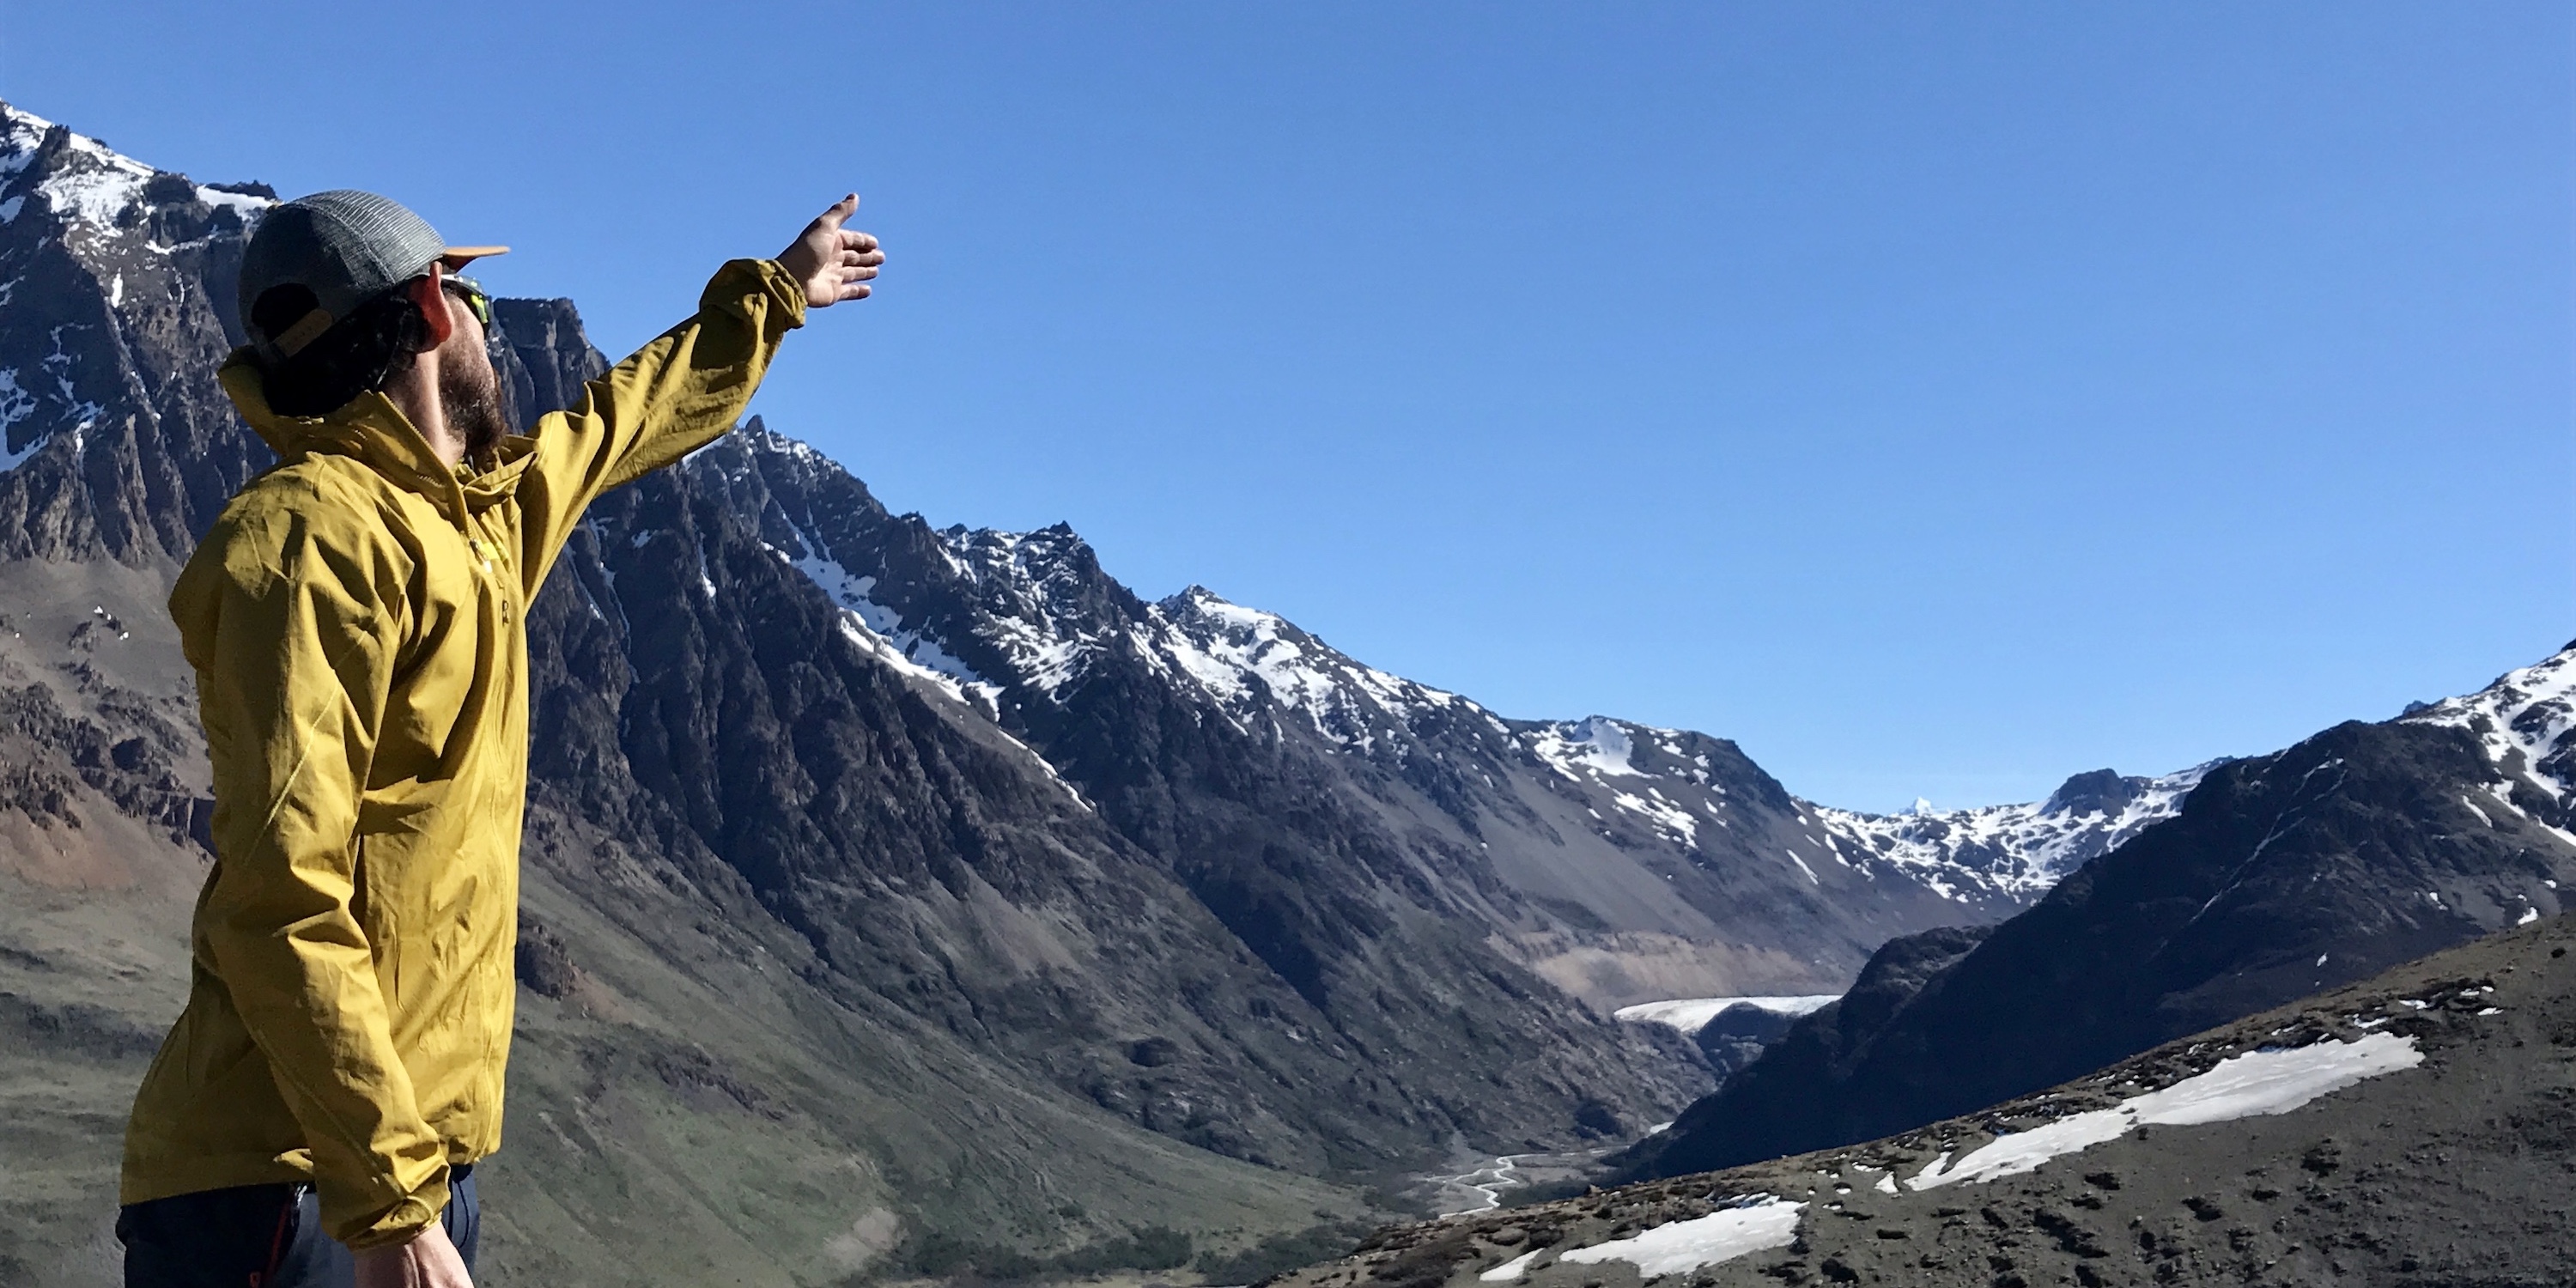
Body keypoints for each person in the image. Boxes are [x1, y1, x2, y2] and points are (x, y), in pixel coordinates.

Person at [114, 188, 882, 1288]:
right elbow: (281, 898)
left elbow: (616, 426)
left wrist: (775, 294)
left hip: (405, 1174)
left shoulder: (466, 527)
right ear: (432, 311)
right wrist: (386, 1208)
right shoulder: (306, 539)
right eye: (469, 292)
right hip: (287, 1192)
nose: (486, 316)